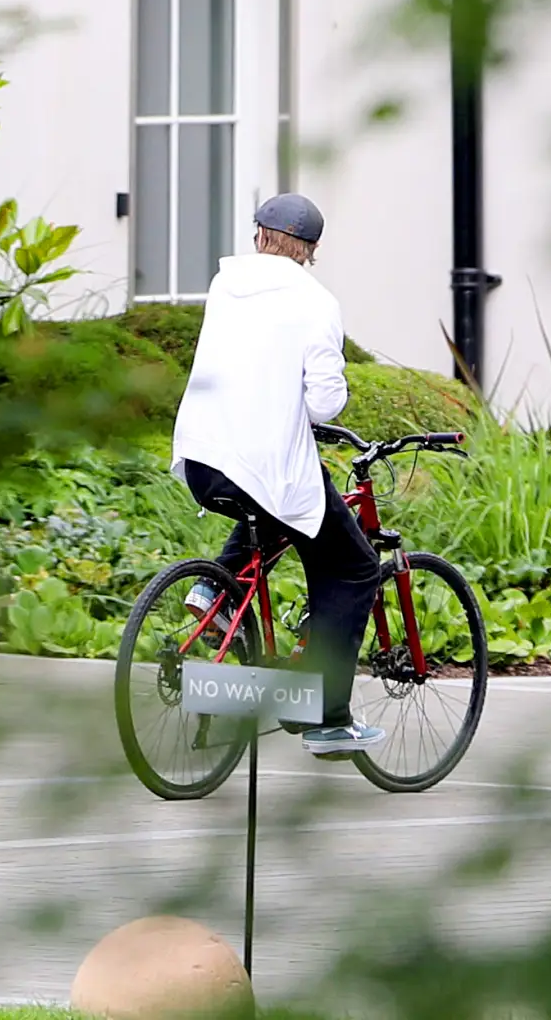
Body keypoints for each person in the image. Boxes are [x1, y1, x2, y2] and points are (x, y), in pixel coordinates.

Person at [170, 192, 385, 757]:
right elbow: (324, 403)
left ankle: (212, 590)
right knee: (354, 567)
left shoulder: (225, 285)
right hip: (264, 465)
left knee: (276, 508)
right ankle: (329, 720)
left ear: (260, 235)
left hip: (202, 460)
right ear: (310, 249)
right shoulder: (316, 301)